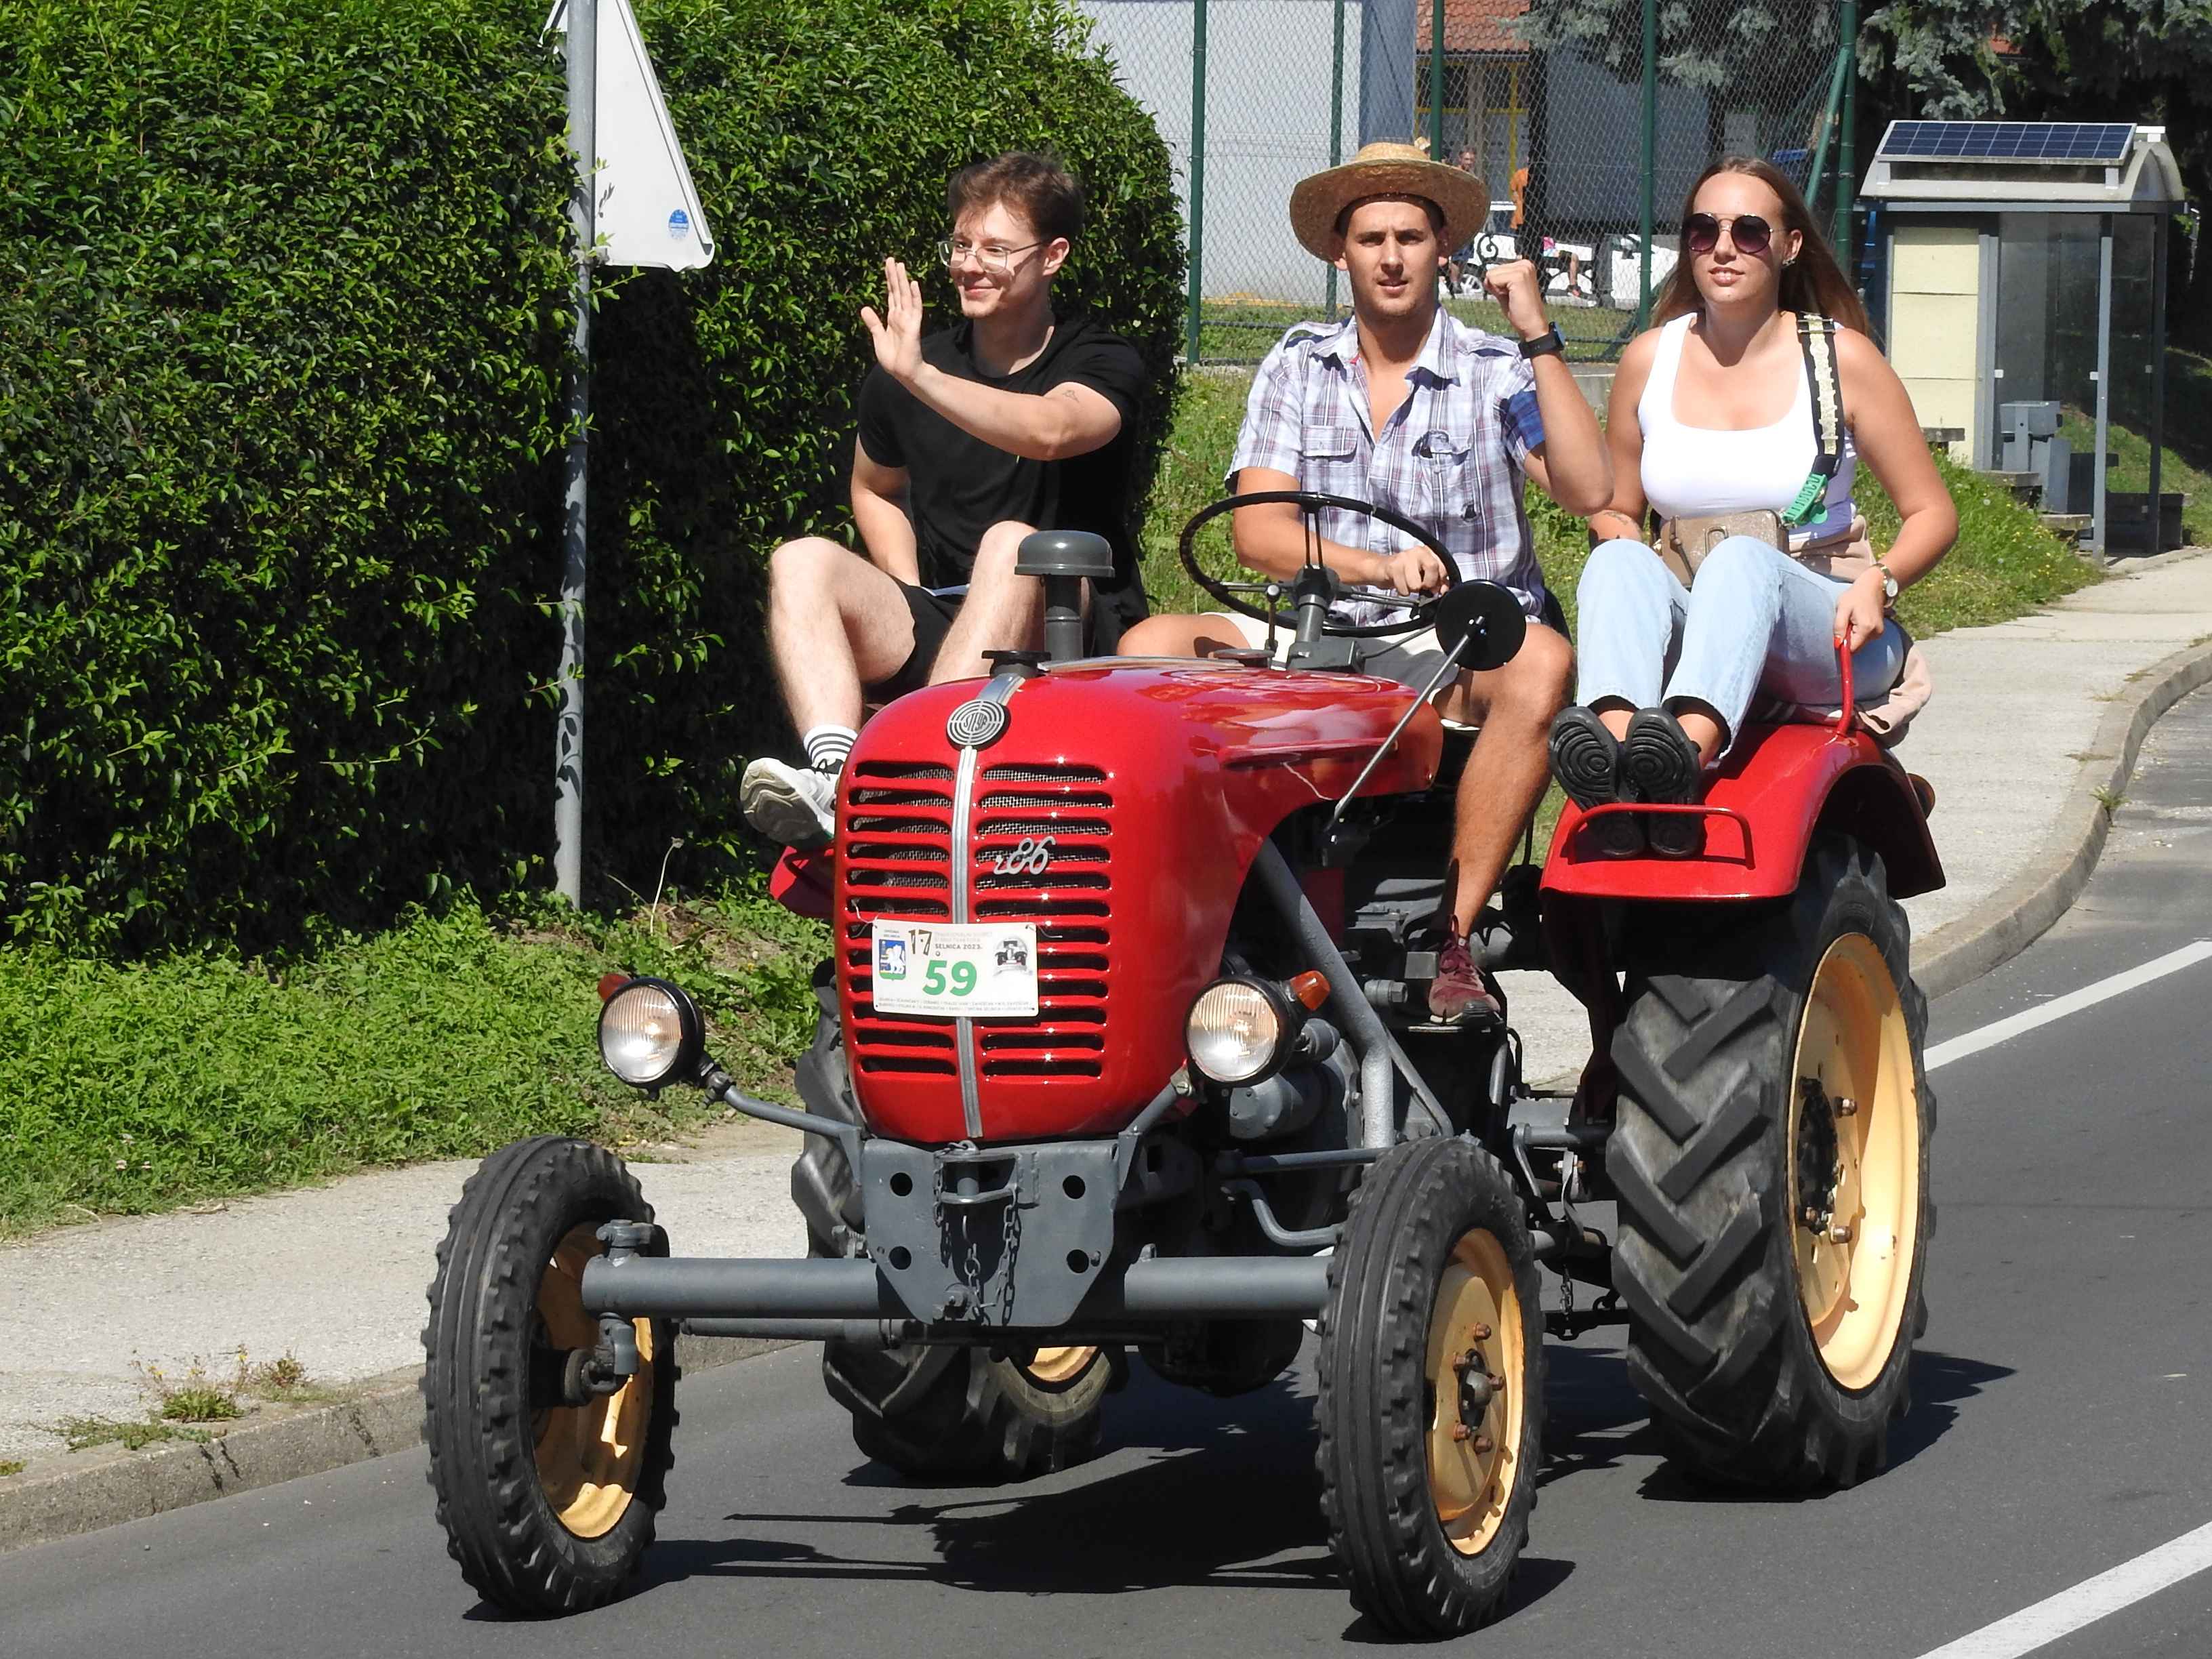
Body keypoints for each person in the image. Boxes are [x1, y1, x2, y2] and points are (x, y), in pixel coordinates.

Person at [1118, 140, 1612, 1023]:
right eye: (1372, 237)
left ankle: (1450, 939)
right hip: (1316, 631)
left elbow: (1587, 487)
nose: (1391, 256)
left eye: (1411, 237)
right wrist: (1373, 566)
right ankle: (1191, 922)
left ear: (1442, 250)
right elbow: (1260, 535)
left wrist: (1536, 330)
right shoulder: (1295, 364)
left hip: (1455, 644)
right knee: (1147, 649)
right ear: (1339, 253)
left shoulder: (1496, 371)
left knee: (1541, 664)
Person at [739, 152, 1151, 849]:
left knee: (1010, 544)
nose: (969, 264)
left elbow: (1053, 430)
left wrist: (919, 377)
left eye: (996, 249)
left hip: (1068, 620)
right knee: (802, 559)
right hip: (948, 614)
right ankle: (838, 781)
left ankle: (914, 777)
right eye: (961, 244)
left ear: (1052, 257)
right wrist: (903, 585)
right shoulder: (910, 371)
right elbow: (875, 486)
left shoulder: (1102, 357)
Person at [1551, 155, 1956, 856]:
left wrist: (1880, 581)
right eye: (1703, 231)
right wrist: (1616, 532)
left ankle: (1682, 756)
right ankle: (1615, 767)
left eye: (1749, 230)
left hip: (1823, 624)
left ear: (1790, 245)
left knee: (1740, 562)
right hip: (1700, 619)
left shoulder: (1840, 360)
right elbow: (1618, 506)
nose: (1725, 247)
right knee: (1617, 561)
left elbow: (1933, 513)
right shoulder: (1651, 359)